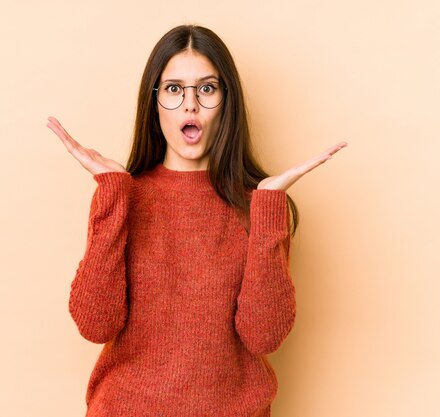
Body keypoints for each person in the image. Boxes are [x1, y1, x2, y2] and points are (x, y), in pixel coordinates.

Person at [47, 24, 346, 417]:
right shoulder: (125, 196)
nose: (190, 105)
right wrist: (113, 192)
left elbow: (264, 336)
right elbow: (95, 324)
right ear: (153, 102)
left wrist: (270, 205)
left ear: (227, 100)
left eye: (206, 89)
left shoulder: (257, 205)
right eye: (173, 89)